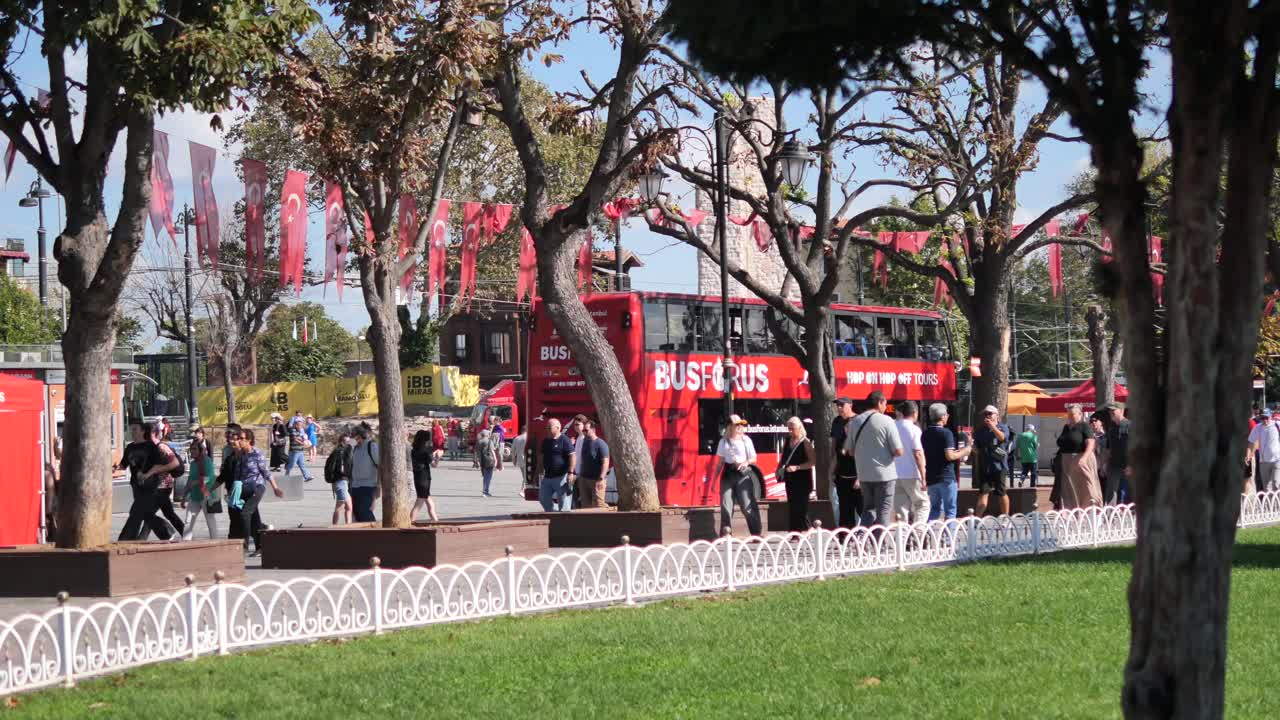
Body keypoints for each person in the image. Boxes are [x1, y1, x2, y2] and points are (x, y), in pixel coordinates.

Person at [844, 391, 904, 527]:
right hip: (884, 475)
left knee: (868, 509)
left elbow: (850, 451)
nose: (885, 407)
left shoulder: (855, 421)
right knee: (883, 510)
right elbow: (899, 451)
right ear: (879, 402)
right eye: (885, 403)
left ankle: (863, 540)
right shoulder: (887, 420)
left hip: (864, 474)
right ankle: (879, 544)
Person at [117, 420, 177, 541]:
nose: (132, 432)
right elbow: (123, 465)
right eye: (131, 429)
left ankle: (126, 539)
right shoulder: (130, 447)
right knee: (145, 513)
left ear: (143, 431)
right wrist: (114, 468)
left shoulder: (151, 447)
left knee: (135, 511)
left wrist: (149, 474)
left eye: (135, 429)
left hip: (150, 485)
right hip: (136, 485)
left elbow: (161, 464)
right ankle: (167, 532)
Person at [230, 429, 284, 555]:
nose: (239, 441)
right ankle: (260, 546)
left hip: (257, 487)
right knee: (254, 518)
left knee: (245, 514)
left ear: (249, 440)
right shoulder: (241, 455)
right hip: (244, 489)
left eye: (241, 438)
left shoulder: (257, 454)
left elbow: (266, 472)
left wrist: (275, 488)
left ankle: (245, 545)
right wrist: (234, 491)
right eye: (238, 438)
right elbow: (237, 474)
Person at [713, 414, 762, 535]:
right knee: (726, 506)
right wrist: (714, 481)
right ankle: (726, 534)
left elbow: (754, 458)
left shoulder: (746, 440)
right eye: (737, 425)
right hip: (727, 474)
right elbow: (720, 463)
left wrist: (746, 462)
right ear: (730, 427)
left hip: (742, 474)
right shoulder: (723, 441)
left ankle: (756, 533)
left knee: (747, 505)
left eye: (741, 424)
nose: (740, 427)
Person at [922, 403, 971, 522]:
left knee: (934, 509)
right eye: (947, 414)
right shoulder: (946, 433)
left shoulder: (925, 433)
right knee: (950, 510)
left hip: (932, 477)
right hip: (947, 477)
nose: (948, 416)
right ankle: (949, 538)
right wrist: (965, 451)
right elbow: (950, 456)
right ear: (943, 416)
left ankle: (928, 535)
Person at [1056, 403, 1103, 509]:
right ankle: (1072, 512)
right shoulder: (1066, 427)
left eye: (1072, 414)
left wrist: (1084, 458)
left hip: (1081, 460)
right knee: (1070, 489)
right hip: (1067, 462)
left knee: (1087, 487)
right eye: (1068, 415)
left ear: (1080, 414)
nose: (1070, 417)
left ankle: (1091, 510)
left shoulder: (1085, 426)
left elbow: (1091, 443)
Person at [892, 401, 930, 524]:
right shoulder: (914, 429)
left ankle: (901, 537)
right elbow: (918, 453)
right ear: (915, 413)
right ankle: (918, 534)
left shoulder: (892, 426)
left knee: (901, 509)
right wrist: (923, 476)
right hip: (912, 474)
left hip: (895, 474)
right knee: (922, 504)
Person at [972, 405, 1012, 517]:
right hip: (985, 466)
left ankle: (1005, 517)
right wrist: (974, 448)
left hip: (999, 466)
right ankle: (977, 518)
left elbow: (1002, 438)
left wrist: (993, 427)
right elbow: (977, 447)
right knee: (983, 492)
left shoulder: (1002, 427)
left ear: (997, 416)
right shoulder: (980, 431)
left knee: (1001, 492)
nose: (987, 416)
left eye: (990, 413)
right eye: (985, 414)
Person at [829, 397, 863, 528]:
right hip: (841, 471)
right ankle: (845, 538)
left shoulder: (859, 420)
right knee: (844, 508)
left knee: (861, 507)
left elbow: (862, 451)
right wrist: (832, 470)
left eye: (842, 405)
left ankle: (872, 537)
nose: (839, 408)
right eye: (837, 405)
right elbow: (834, 445)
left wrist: (860, 477)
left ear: (850, 405)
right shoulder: (837, 421)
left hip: (857, 472)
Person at [779, 416, 816, 532]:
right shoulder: (787, 441)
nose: (790, 431)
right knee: (792, 505)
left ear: (799, 428)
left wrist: (798, 467)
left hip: (803, 479)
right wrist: (778, 469)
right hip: (790, 478)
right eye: (788, 429)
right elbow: (783, 458)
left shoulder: (805, 442)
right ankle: (795, 531)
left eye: (792, 429)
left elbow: (812, 462)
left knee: (801, 506)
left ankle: (806, 528)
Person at [181, 431, 219, 541]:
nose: (192, 451)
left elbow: (209, 478)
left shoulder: (206, 461)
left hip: (206, 496)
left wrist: (196, 482)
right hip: (194, 496)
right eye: (191, 449)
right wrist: (184, 497)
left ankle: (215, 542)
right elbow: (189, 480)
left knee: (210, 521)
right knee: (188, 520)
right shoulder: (193, 463)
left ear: (200, 450)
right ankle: (185, 542)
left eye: (194, 449)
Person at [538, 418, 576, 511]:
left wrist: (570, 473)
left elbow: (572, 456)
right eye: (546, 427)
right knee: (543, 498)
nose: (547, 430)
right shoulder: (546, 441)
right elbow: (541, 456)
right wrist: (539, 470)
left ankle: (564, 520)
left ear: (558, 428)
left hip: (561, 477)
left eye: (549, 427)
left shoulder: (564, 440)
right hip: (547, 476)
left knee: (563, 503)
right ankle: (552, 514)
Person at [576, 419, 611, 509]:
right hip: (584, 479)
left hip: (596, 479)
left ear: (593, 430)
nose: (584, 432)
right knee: (585, 506)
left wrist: (601, 478)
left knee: (598, 505)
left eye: (586, 430)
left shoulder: (601, 444)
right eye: (583, 430)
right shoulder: (585, 442)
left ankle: (609, 514)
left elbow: (605, 462)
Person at [350, 427, 381, 522]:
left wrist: (379, 486)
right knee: (356, 513)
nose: (353, 440)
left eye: (354, 438)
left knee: (365, 512)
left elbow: (380, 466)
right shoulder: (355, 449)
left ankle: (373, 533)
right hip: (355, 485)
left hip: (368, 485)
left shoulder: (371, 446)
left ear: (359, 437)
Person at [410, 430, 440, 521]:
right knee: (419, 503)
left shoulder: (414, 450)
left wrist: (433, 454)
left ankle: (436, 521)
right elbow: (434, 464)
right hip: (424, 479)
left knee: (430, 503)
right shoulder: (424, 451)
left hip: (419, 477)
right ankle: (410, 522)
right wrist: (438, 457)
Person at [326, 430, 354, 525]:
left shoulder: (346, 451)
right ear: (341, 442)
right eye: (346, 442)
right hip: (341, 481)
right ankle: (335, 527)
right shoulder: (339, 452)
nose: (348, 444)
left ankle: (348, 526)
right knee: (340, 506)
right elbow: (337, 468)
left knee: (349, 507)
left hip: (344, 482)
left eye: (348, 442)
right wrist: (334, 481)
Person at [1104, 404, 1131, 502]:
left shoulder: (1129, 425)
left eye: (1113, 410)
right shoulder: (1111, 428)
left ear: (1121, 410)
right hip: (1114, 463)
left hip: (1128, 464)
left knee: (1131, 491)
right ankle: (1110, 515)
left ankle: (1134, 514)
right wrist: (1105, 462)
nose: (1111, 413)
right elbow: (1108, 448)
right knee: (1111, 491)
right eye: (1110, 411)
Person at [1248, 408, 1280, 493]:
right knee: (1266, 488)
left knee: (1276, 484)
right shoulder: (1258, 428)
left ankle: (1278, 505)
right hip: (1264, 461)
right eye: (1263, 418)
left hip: (1277, 460)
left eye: (1267, 418)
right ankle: (1269, 506)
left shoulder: (1277, 424)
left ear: (1271, 417)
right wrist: (1248, 456)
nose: (1265, 420)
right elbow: (1251, 442)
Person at [284, 413, 314, 482]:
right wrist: (303, 443)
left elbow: (303, 438)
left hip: (300, 450)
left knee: (302, 464)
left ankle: (307, 477)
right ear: (295, 425)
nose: (301, 426)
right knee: (291, 464)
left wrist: (305, 440)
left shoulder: (300, 430)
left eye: (301, 425)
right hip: (294, 451)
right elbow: (295, 439)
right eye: (299, 425)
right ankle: (286, 475)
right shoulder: (292, 430)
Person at [475, 425, 498, 497]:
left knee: (485, 476)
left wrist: (476, 461)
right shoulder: (489, 441)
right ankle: (485, 491)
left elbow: (476, 452)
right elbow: (492, 451)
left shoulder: (479, 442)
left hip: (482, 461)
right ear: (487, 434)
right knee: (488, 477)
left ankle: (485, 491)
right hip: (489, 460)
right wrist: (495, 460)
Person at [512, 425, 529, 498]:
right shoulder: (528, 437)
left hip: (520, 460)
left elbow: (513, 450)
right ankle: (522, 490)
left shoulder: (517, 438)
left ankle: (524, 490)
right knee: (526, 476)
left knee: (524, 475)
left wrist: (514, 460)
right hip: (528, 459)